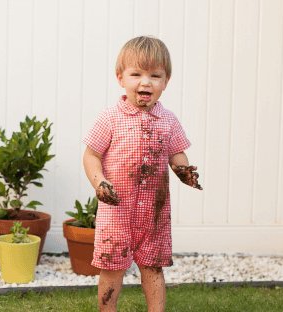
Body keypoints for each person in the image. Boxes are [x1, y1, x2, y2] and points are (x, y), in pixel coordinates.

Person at [82, 36, 202, 312]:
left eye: (154, 75)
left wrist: (184, 170)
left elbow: (176, 152)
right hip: (117, 210)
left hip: (154, 212)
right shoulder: (110, 118)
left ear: (166, 81)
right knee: (112, 268)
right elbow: (91, 155)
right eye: (136, 74)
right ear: (120, 77)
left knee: (153, 267)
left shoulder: (168, 120)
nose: (145, 82)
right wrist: (99, 182)